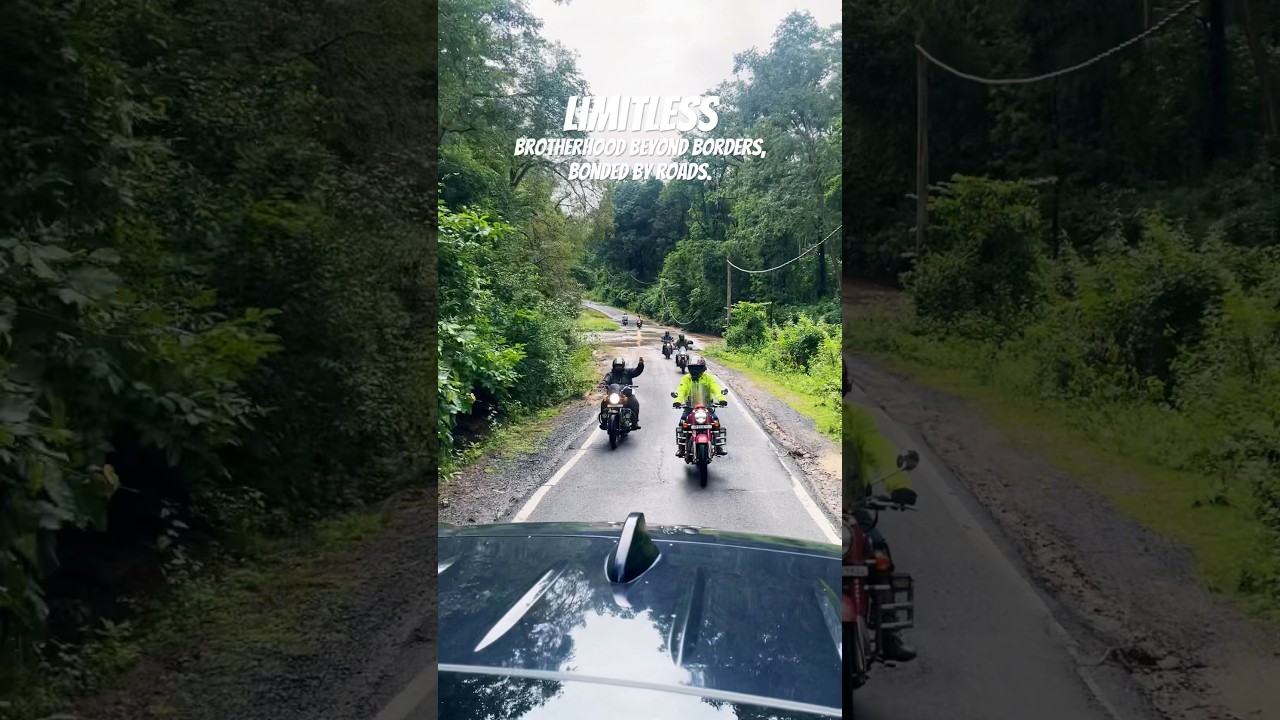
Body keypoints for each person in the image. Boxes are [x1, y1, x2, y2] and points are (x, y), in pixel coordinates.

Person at [847, 450, 918, 663]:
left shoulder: (856, 428)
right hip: (821, 502)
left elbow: (880, 451)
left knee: (879, 553)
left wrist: (899, 486)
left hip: (854, 510)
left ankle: (889, 636)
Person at [671, 356, 727, 457]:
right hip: (690, 407)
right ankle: (681, 448)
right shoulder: (686, 378)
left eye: (697, 368)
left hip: (706, 406)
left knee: (716, 421)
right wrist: (677, 401)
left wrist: (722, 399)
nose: (695, 370)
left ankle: (719, 447)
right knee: (682, 422)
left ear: (703, 368)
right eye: (692, 368)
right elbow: (681, 390)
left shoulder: (708, 378)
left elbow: (716, 388)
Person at [601, 356, 644, 429]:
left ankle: (635, 422)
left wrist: (640, 364)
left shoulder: (628, 372)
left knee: (635, 403)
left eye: (620, 366)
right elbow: (606, 380)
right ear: (614, 366)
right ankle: (604, 422)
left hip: (627, 395)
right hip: (613, 396)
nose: (618, 367)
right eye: (617, 366)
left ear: (623, 366)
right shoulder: (610, 375)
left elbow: (637, 371)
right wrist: (602, 384)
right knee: (604, 402)